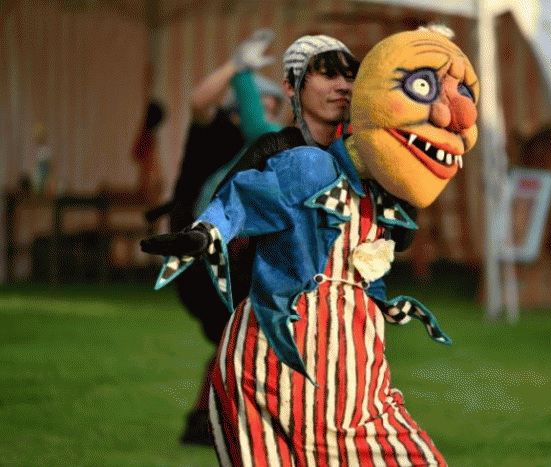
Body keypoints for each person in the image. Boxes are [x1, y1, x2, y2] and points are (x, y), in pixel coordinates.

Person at [141, 24, 480, 466]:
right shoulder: (287, 154)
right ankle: (204, 415)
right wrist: (205, 232)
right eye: (327, 74)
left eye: (351, 76)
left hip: (352, 358)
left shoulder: (373, 167)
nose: (343, 86)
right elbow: (241, 196)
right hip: (277, 332)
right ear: (293, 88)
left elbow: (402, 236)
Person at [166, 32, 360, 446]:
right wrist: (237, 68)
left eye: (274, 104)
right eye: (262, 103)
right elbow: (201, 103)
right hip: (203, 260)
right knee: (246, 336)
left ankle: (208, 422)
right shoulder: (220, 134)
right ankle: (230, 422)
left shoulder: (276, 149)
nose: (269, 110)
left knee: (242, 337)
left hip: (239, 259)